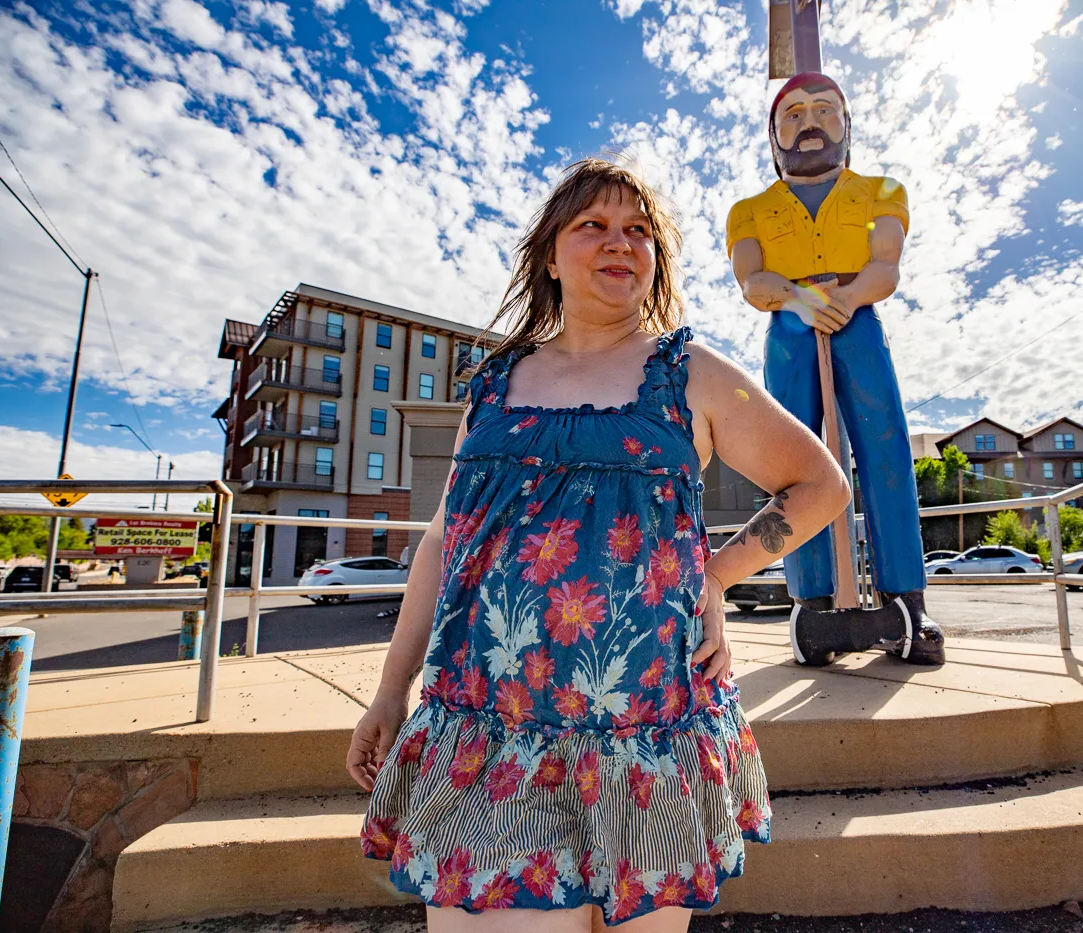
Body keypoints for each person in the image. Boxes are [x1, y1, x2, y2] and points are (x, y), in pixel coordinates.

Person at [347, 157, 852, 931]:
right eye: (594, 226)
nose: (621, 243)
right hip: (491, 739)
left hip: (645, 741)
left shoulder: (692, 375)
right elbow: (446, 539)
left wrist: (712, 578)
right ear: (550, 253)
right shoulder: (492, 384)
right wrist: (391, 687)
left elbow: (820, 483)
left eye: (639, 231)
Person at [725, 72, 944, 666]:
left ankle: (906, 598)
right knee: (794, 464)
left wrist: (842, 301)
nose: (809, 122)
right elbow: (754, 280)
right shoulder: (750, 210)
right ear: (774, 138)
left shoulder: (881, 190)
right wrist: (803, 302)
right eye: (792, 115)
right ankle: (811, 600)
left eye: (824, 109)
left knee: (887, 449)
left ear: (847, 124)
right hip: (791, 331)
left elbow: (886, 266)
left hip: (859, 322)